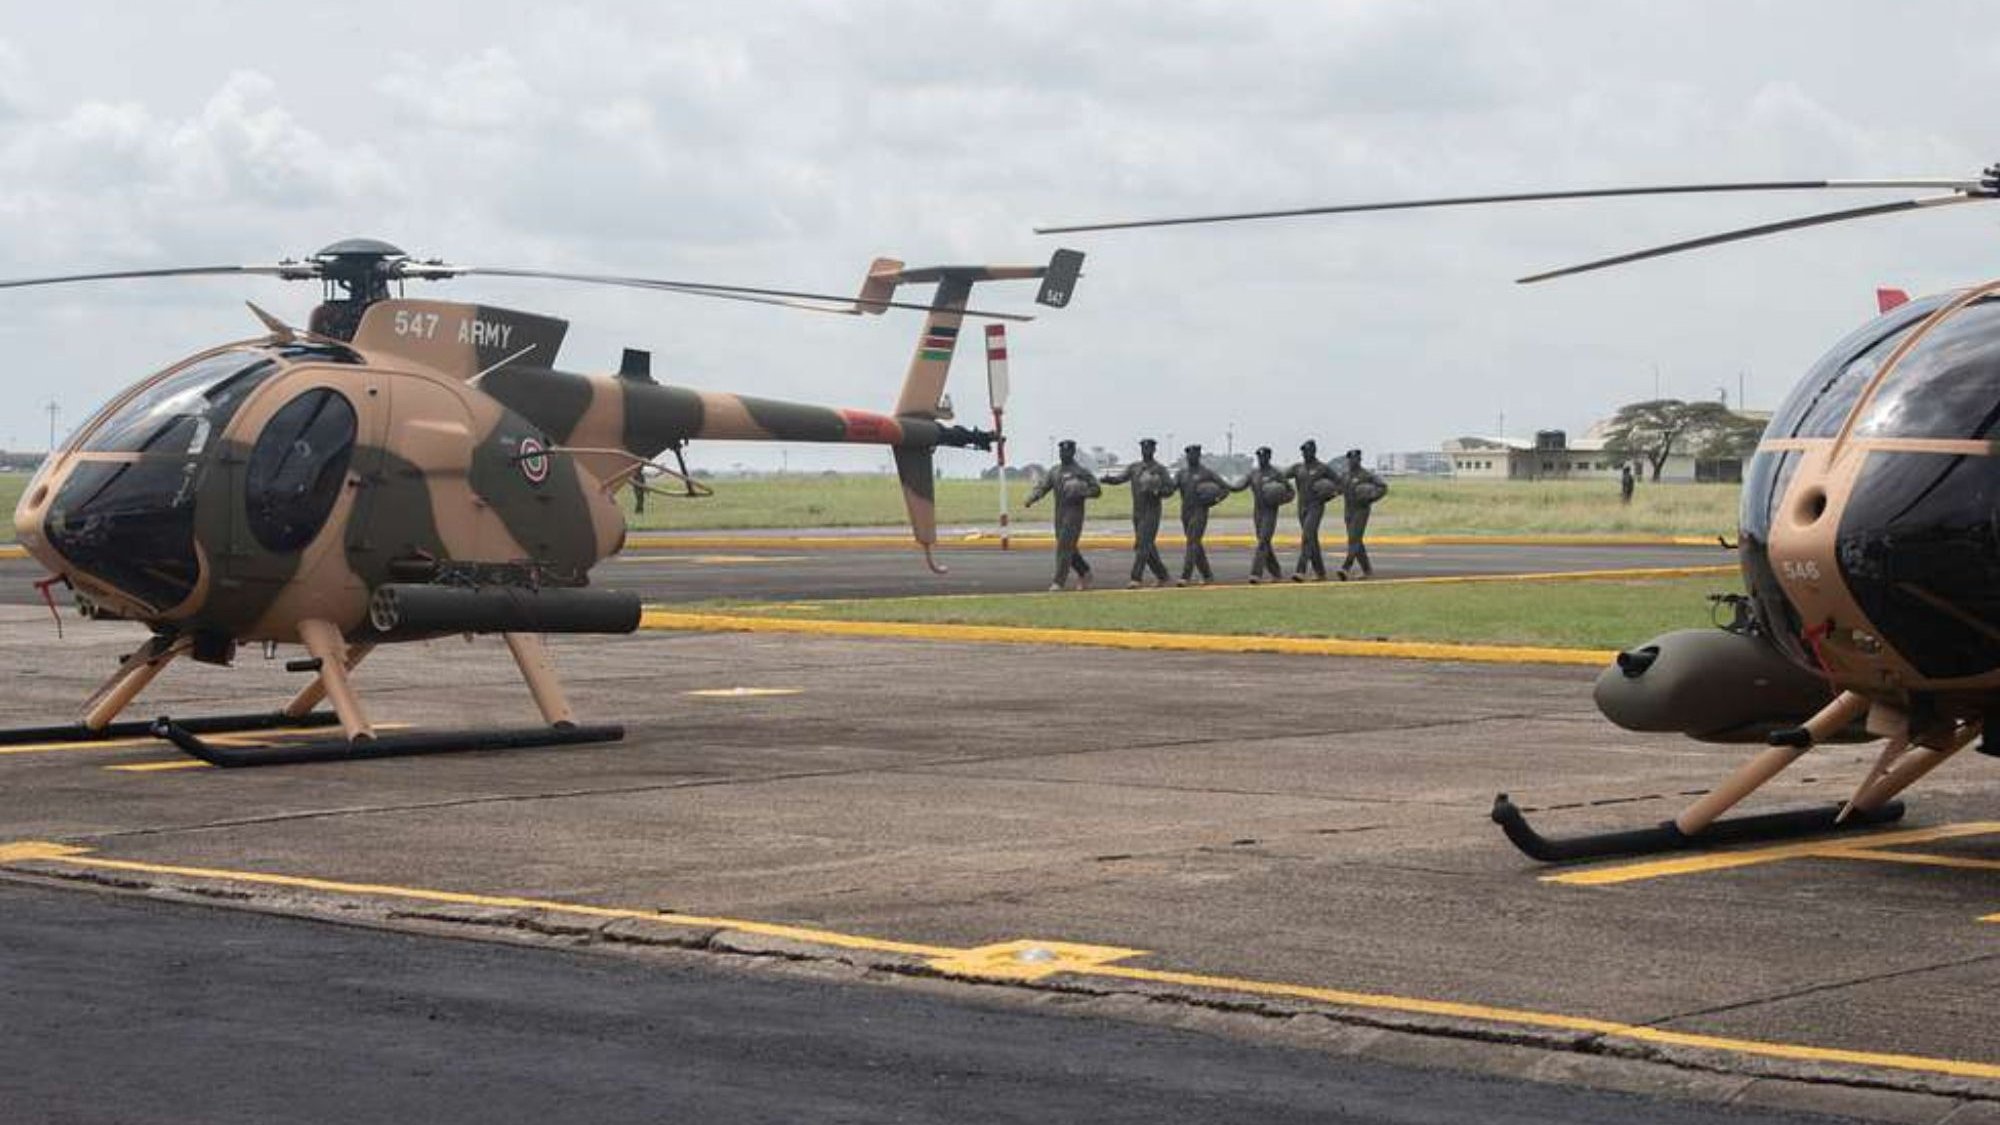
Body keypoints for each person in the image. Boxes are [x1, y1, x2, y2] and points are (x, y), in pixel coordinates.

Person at [1023, 439, 1100, 591]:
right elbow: (1043, 487)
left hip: (1074, 513)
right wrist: (1032, 498)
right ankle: (1085, 572)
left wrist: (1081, 491)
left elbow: (1096, 490)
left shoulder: (1081, 472)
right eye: (1061, 451)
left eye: (1066, 451)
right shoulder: (1055, 471)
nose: (1063, 454)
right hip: (1060, 513)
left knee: (1064, 547)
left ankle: (1059, 582)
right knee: (1067, 547)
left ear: (1072, 452)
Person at [1100, 438, 1175, 587]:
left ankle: (1136, 578)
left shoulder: (1160, 469)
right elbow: (1120, 478)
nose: (1146, 451)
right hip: (1138, 513)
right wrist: (1108, 480)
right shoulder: (1135, 467)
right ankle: (1163, 575)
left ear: (1154, 450)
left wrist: (1156, 491)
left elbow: (1170, 489)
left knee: (1142, 545)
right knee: (1146, 546)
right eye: (1143, 448)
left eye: (1149, 448)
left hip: (1152, 512)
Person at [1173, 444, 1232, 586]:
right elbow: (1171, 488)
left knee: (1192, 542)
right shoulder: (1181, 473)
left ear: (1198, 456)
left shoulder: (1206, 473)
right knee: (1195, 544)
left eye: (1194, 455)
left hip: (1200, 511)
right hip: (1185, 512)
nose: (1191, 457)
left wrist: (1214, 500)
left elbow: (1225, 489)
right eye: (1188, 455)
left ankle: (1185, 577)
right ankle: (1207, 575)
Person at [1236, 446, 1293, 583]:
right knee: (1264, 542)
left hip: (1270, 512)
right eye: (1259, 456)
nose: (1261, 459)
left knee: (1263, 542)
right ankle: (1276, 573)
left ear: (1269, 457)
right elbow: (1238, 487)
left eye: (1264, 456)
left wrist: (1279, 499)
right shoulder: (1253, 474)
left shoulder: (1276, 474)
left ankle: (1256, 574)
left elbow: (1291, 493)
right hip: (1258, 513)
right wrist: (1223, 486)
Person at [1289, 439, 1340, 582]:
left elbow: (1340, 484)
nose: (1304, 453)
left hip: (1316, 507)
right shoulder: (1297, 468)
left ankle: (1300, 570)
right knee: (1312, 540)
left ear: (1313, 451)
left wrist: (1330, 495)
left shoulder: (1322, 468)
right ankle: (1321, 573)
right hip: (1302, 508)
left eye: (1307, 450)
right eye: (1303, 451)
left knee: (1307, 536)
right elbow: (1281, 476)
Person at [1338, 448, 1387, 580]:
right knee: (1356, 541)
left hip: (1361, 510)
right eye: (1350, 459)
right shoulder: (1345, 475)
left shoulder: (1366, 475)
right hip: (1348, 511)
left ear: (1359, 460)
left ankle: (1346, 567)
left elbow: (1383, 487)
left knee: (1353, 539)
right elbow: (1338, 489)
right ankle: (1367, 570)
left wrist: (1371, 496)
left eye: (1355, 458)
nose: (1352, 461)